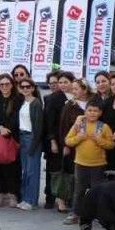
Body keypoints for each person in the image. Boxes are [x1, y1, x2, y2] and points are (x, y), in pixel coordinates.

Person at [64, 101, 115, 224]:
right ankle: (76, 213)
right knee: (79, 190)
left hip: (98, 165)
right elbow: (68, 140)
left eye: (95, 111)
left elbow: (111, 145)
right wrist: (79, 138)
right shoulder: (79, 125)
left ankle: (97, 214)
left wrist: (99, 140)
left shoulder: (104, 127)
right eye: (90, 110)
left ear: (100, 113)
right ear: (85, 111)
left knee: (96, 190)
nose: (92, 113)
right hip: (80, 163)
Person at [56, 80, 93, 212]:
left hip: (89, 144)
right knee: (69, 173)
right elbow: (63, 126)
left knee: (84, 176)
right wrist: (65, 145)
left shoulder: (93, 103)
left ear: (85, 89)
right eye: (73, 89)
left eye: (76, 89)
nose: (73, 91)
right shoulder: (69, 105)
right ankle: (62, 199)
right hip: (72, 144)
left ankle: (81, 202)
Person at [0, 74, 21, 208]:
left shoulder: (18, 100)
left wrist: (9, 129)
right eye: (2, 84)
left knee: (13, 167)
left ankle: (13, 194)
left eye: (7, 84)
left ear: (12, 85)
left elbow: (18, 117)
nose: (4, 87)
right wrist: (0, 128)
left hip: (13, 137)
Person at [12, 78, 43, 211]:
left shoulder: (36, 103)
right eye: (22, 87)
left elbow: (38, 126)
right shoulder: (22, 102)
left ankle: (31, 200)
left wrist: (34, 144)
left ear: (32, 88)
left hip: (32, 138)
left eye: (28, 86)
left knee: (32, 171)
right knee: (25, 170)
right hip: (22, 136)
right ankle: (25, 198)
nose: (25, 89)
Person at [42, 72, 69, 209]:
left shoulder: (72, 97)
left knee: (66, 169)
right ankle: (51, 197)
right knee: (53, 169)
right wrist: (52, 140)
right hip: (53, 139)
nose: (54, 85)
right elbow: (49, 122)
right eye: (51, 83)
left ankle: (64, 197)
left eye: (56, 82)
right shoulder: (50, 98)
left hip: (68, 139)